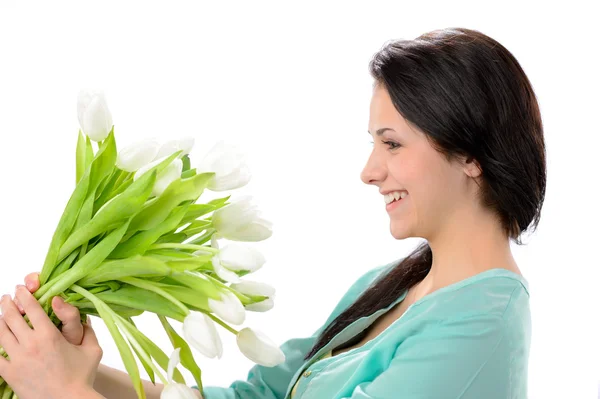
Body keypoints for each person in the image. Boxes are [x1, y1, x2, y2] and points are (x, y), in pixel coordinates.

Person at [5, 26, 545, 398]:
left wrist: (59, 390)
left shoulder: (482, 324)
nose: (369, 171)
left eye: (393, 144)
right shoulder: (388, 287)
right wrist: (71, 370)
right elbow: (257, 397)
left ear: (470, 154)